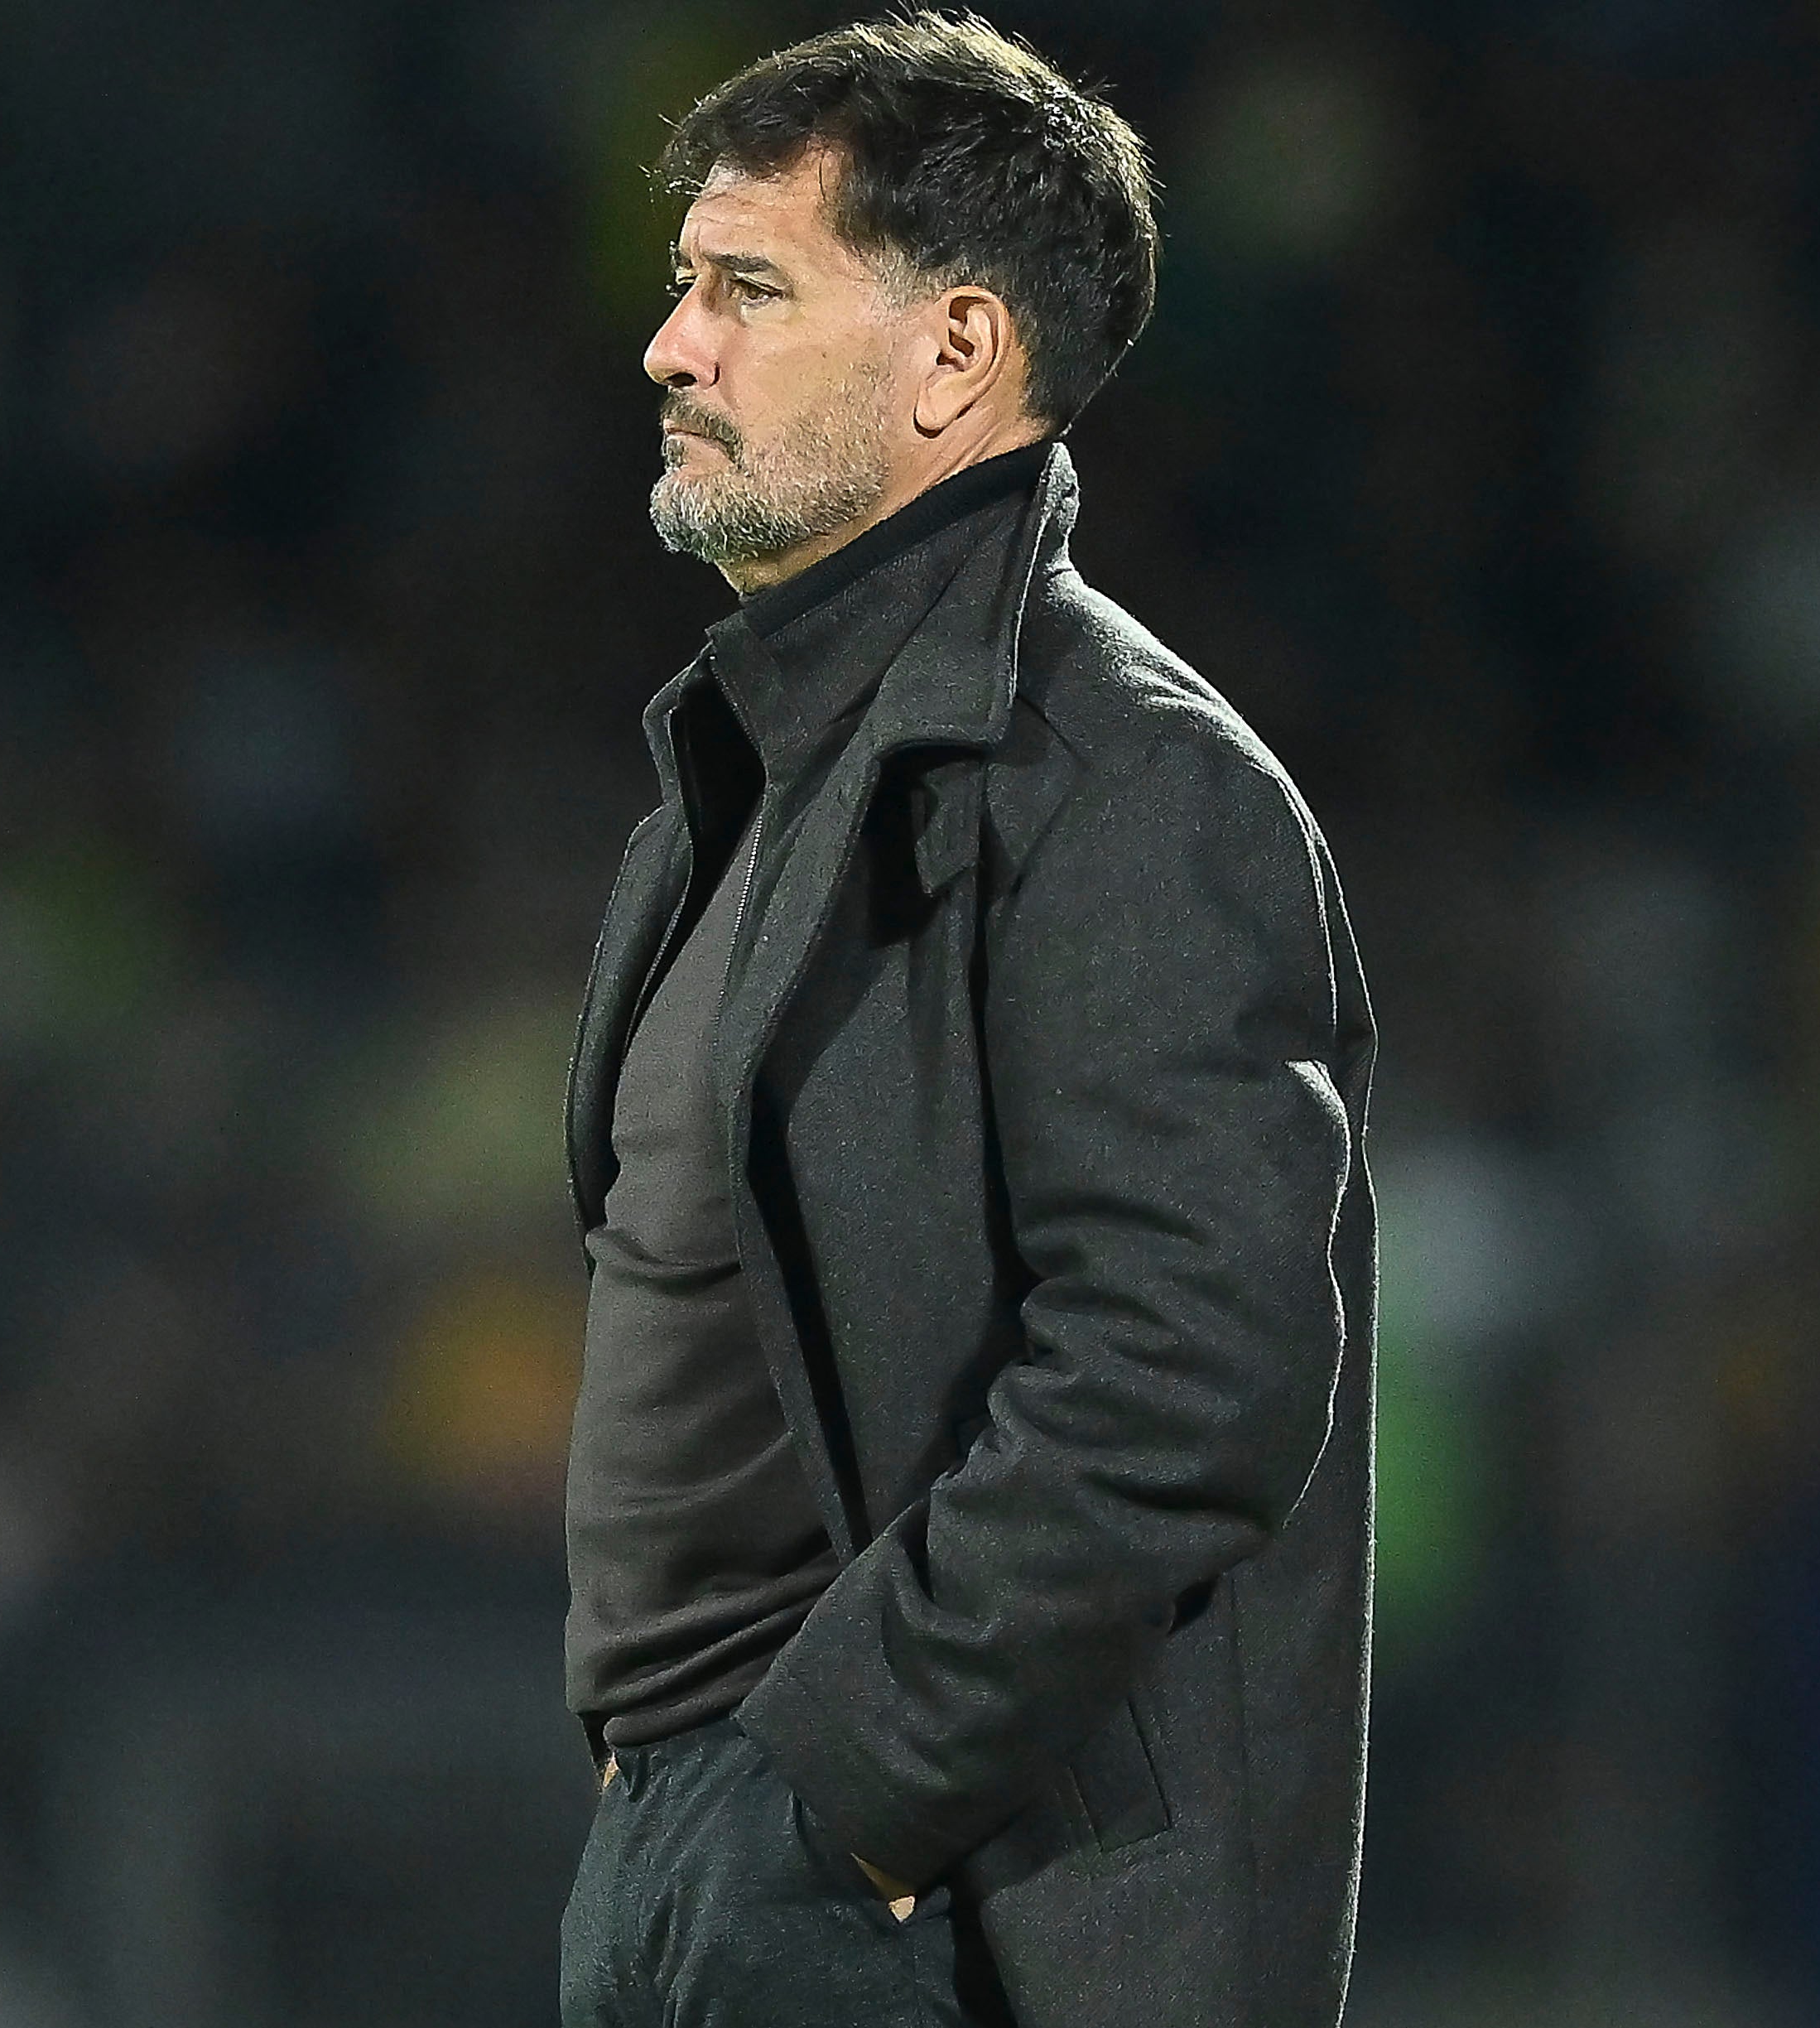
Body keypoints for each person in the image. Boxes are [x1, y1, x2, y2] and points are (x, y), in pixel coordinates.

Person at [556, 16, 1379, 2027]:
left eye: (749, 289)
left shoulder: (1124, 784)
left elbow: (1185, 1372)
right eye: (685, 285)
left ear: (955, 354)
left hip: (928, 1900)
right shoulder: (754, 779)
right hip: (708, 1853)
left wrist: (827, 1799)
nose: (672, 347)